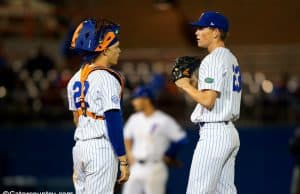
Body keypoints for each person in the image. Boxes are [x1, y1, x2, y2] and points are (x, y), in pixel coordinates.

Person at [174, 11, 242, 193]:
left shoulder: (212, 59)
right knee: (225, 191)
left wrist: (185, 86)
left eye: (201, 27)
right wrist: (196, 84)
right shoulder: (230, 58)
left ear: (215, 32)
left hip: (214, 133)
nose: (196, 32)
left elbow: (208, 100)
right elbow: (215, 94)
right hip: (229, 133)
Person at [66, 18, 130, 194]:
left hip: (80, 148)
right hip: (100, 148)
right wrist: (123, 160)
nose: (119, 51)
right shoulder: (106, 77)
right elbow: (113, 120)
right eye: (116, 47)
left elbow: (76, 118)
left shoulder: (74, 79)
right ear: (105, 50)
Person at [122, 86, 188, 194]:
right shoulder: (134, 118)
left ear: (146, 99)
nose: (134, 102)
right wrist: (129, 153)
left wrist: (169, 154)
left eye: (136, 99)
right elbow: (126, 137)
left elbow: (182, 139)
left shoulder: (163, 119)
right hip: (136, 167)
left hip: (155, 166)